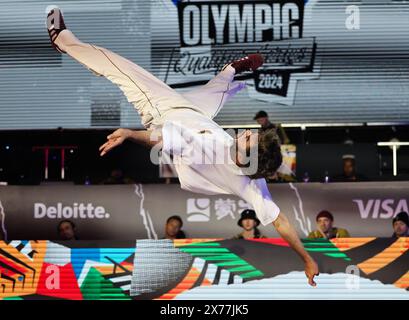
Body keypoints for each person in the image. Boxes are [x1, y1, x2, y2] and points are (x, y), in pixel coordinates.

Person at [46, 6, 319, 286]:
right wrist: (308, 259)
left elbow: (160, 139)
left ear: (249, 158)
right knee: (214, 95)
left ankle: (63, 41)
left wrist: (129, 133)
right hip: (196, 115)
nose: (248, 134)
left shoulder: (205, 151)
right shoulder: (254, 182)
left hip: (164, 113)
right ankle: (231, 70)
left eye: (250, 139)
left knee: (119, 67)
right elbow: (281, 221)